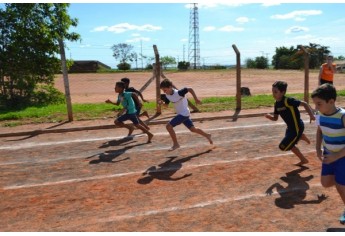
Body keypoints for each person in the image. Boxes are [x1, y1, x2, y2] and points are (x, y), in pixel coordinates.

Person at [311, 83, 345, 225]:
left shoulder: (342, 116)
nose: (316, 108)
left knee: (340, 184)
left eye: (319, 104)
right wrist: (318, 148)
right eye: (315, 104)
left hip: (342, 156)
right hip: (328, 153)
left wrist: (336, 157)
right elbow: (319, 130)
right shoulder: (319, 114)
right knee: (326, 183)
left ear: (331, 101)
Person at [264, 81, 315, 166]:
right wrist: (269, 117)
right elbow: (275, 118)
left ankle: (300, 136)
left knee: (283, 146)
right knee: (290, 145)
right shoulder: (276, 104)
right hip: (290, 128)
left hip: (297, 127)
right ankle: (303, 159)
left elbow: (305, 104)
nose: (273, 94)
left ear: (283, 92)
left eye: (275, 92)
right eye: (272, 92)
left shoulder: (288, 101)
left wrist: (311, 115)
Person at [158, 78, 213, 151]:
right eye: (163, 90)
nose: (164, 92)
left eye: (165, 90)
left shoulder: (179, 93)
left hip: (184, 113)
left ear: (170, 87)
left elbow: (190, 89)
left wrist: (196, 99)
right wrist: (162, 103)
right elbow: (166, 105)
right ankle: (207, 135)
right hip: (182, 114)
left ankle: (176, 144)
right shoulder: (167, 95)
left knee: (168, 126)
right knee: (193, 129)